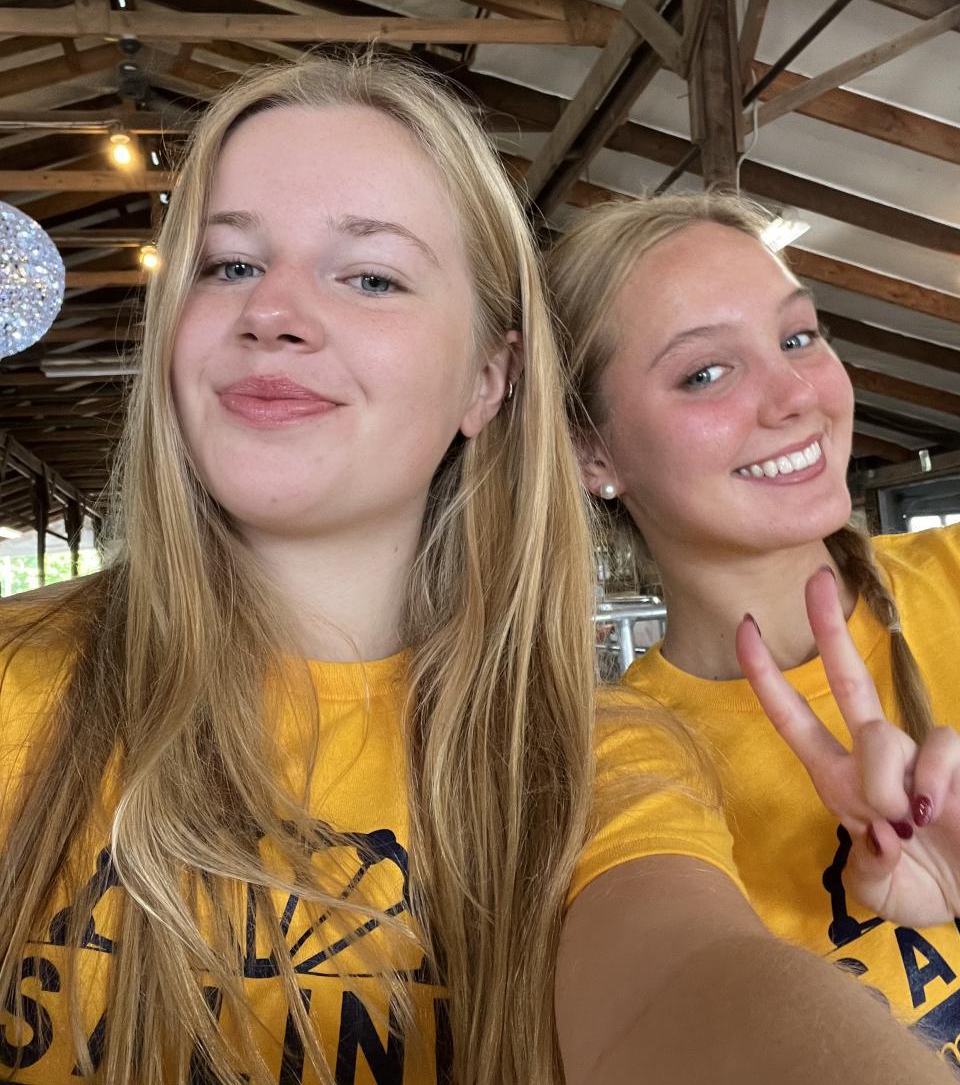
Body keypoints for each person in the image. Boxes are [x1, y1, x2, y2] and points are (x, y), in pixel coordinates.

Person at [0, 63, 953, 1085]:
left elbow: (681, 983)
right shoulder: (22, 682)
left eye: (371, 276)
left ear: (488, 379)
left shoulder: (588, 765)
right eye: (228, 264)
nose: (271, 309)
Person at [547, 189, 960, 1067]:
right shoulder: (616, 760)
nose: (795, 395)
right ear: (593, 453)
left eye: (799, 338)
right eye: (705, 373)